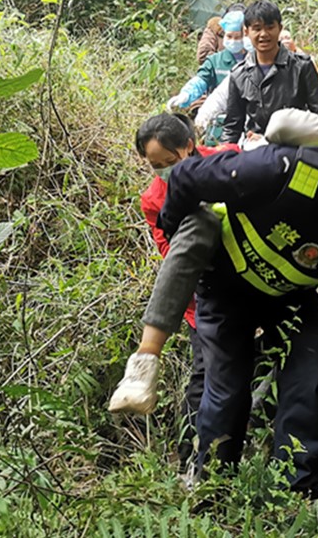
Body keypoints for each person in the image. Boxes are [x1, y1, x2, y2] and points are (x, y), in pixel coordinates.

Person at [156, 86, 318, 496]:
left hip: (291, 298)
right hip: (230, 283)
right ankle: (210, 484)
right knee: (227, 385)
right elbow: (186, 177)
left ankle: (296, 492)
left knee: (310, 368)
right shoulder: (281, 168)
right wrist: (180, 238)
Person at [110, 114, 240, 465]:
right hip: (201, 298)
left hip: (251, 282)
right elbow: (170, 253)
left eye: (170, 162)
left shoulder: (226, 160)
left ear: (188, 145)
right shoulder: (154, 199)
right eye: (155, 165)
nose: (164, 171)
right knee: (205, 376)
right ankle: (188, 459)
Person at [222, 0, 318, 144]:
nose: (264, 34)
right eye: (257, 29)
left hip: (295, 147)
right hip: (256, 150)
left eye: (270, 27)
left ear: (280, 28)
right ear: (246, 32)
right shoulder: (239, 74)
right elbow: (232, 127)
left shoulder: (301, 66)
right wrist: (223, 156)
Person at [169, 10, 247, 112]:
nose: (232, 41)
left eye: (237, 37)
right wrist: (187, 93)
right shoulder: (215, 61)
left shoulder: (254, 59)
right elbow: (201, 80)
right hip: (219, 115)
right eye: (229, 36)